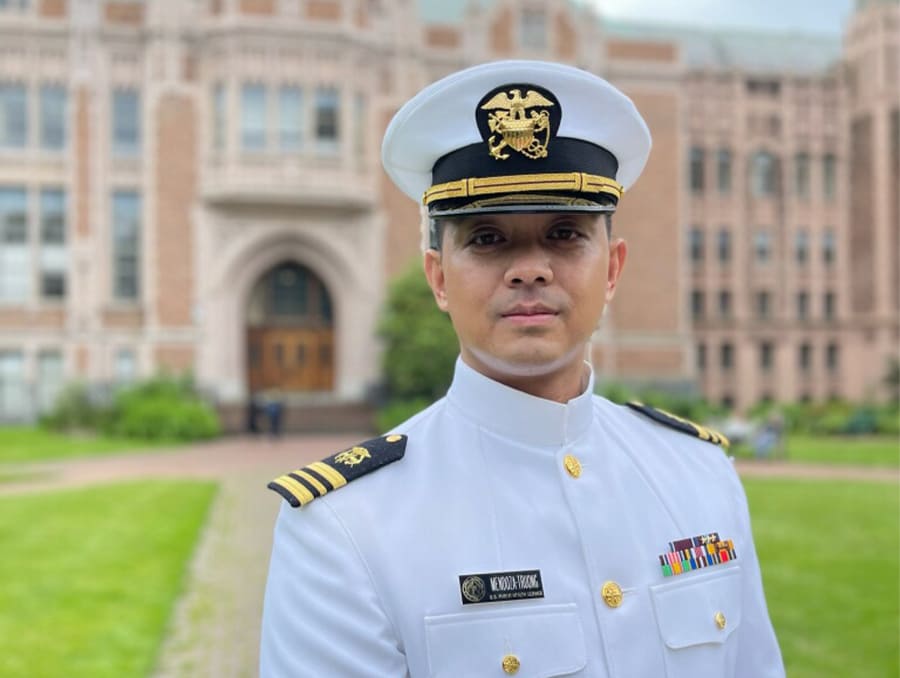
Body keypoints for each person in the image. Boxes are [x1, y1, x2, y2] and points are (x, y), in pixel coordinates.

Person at [260, 60, 784, 677]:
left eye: (564, 233)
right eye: (487, 238)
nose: (530, 268)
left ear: (612, 270)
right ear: (438, 278)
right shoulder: (344, 528)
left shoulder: (701, 476)